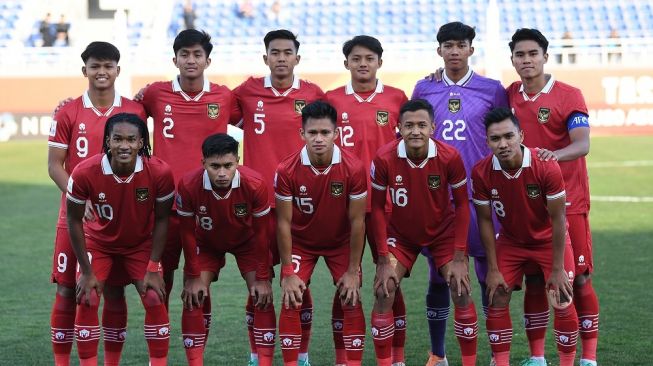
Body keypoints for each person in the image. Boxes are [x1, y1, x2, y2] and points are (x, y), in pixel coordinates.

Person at [411, 21, 508, 366]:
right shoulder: (424, 88)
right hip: (438, 200)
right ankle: (438, 354)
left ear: (471, 49)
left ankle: (498, 355)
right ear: (439, 51)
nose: (454, 51)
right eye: (448, 46)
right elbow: (411, 138)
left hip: (481, 198)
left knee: (487, 273)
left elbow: (505, 138)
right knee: (440, 276)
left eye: (460, 45)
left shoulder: (493, 90)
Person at [47, 41, 146, 366]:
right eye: (95, 66)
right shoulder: (68, 111)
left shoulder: (135, 111)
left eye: (108, 66)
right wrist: (78, 196)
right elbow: (55, 165)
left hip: (118, 220)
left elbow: (145, 163)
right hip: (74, 218)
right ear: (84, 70)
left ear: (118, 70)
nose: (101, 72)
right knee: (67, 290)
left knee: (114, 291)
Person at [231, 29, 325, 366]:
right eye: (275, 52)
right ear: (265, 57)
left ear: (297, 58)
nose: (281, 58)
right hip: (258, 206)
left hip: (302, 204)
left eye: (288, 52)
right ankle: (257, 354)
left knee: (298, 280)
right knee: (259, 282)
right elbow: (209, 109)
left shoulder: (313, 94)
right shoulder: (246, 91)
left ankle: (301, 355)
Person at [506, 28, 598, 366]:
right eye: (520, 55)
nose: (526, 60)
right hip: (528, 205)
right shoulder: (510, 95)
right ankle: (537, 357)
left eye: (533, 54)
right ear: (513, 59)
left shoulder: (568, 95)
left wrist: (551, 156)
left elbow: (582, 143)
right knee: (534, 278)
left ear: (545, 56)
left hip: (569, 200)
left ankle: (587, 358)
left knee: (579, 277)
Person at [136, 30, 234, 345]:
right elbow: (123, 111)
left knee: (199, 284)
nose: (190, 60)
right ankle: (158, 356)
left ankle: (197, 356)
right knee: (158, 284)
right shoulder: (155, 93)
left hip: (206, 209)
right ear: (174, 59)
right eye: (184, 54)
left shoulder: (225, 96)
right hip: (164, 208)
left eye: (196, 54)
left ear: (208, 59)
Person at [370, 99, 478, 366]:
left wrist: (460, 256)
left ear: (433, 127)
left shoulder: (449, 156)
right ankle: (390, 362)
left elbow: (463, 205)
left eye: (421, 125)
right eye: (409, 126)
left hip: (443, 233)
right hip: (401, 235)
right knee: (384, 289)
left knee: (460, 286)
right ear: (398, 128)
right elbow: (376, 209)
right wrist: (383, 260)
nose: (415, 131)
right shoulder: (384, 158)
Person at [471, 107, 578, 366]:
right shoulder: (481, 172)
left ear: (521, 135)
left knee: (561, 296)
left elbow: (558, 220)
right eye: (495, 139)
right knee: (496, 293)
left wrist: (556, 269)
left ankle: (566, 363)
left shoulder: (545, 166)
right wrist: (493, 269)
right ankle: (503, 361)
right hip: (511, 241)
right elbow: (485, 221)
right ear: (487, 142)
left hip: (548, 239)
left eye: (509, 136)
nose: (503, 144)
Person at [324, 34, 408, 366]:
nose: (362, 64)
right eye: (356, 58)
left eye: (369, 58)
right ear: (346, 63)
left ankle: (397, 358)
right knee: (348, 280)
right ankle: (344, 358)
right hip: (346, 205)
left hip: (387, 205)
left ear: (379, 63)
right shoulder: (330, 99)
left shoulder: (397, 98)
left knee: (390, 278)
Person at [66, 113, 174, 366]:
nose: (124, 145)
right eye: (117, 139)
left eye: (131, 140)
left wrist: (153, 266)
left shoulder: (159, 172)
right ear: (107, 141)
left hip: (139, 244)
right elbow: (73, 221)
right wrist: (86, 270)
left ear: (141, 143)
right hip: (98, 243)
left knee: (155, 297)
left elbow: (162, 220)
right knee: (88, 296)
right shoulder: (84, 172)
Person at [274, 100, 367, 366]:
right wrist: (288, 272)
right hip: (302, 243)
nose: (318, 139)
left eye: (325, 133)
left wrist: (352, 271)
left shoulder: (353, 167)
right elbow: (282, 223)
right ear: (301, 134)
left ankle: (348, 362)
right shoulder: (286, 170)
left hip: (340, 242)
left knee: (351, 296)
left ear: (336, 134)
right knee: (291, 297)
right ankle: (295, 362)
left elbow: (358, 221)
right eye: (312, 133)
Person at [176, 133, 275, 366]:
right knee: (193, 296)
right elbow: (187, 233)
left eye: (228, 166)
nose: (222, 173)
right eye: (215, 166)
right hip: (207, 243)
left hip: (248, 242)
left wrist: (262, 277)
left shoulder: (255, 183)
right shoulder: (189, 184)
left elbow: (262, 235)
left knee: (262, 295)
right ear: (203, 164)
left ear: (237, 161)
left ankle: (262, 361)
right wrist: (192, 277)